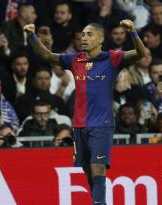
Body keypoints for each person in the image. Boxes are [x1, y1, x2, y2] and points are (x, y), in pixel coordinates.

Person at [23, 19, 146, 205]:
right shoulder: (75, 59)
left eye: (89, 34)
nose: (84, 38)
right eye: (82, 34)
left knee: (98, 168)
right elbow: (47, 57)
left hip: (101, 125)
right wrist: (32, 35)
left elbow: (141, 53)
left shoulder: (112, 58)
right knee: (88, 172)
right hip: (79, 125)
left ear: (101, 39)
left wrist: (133, 32)